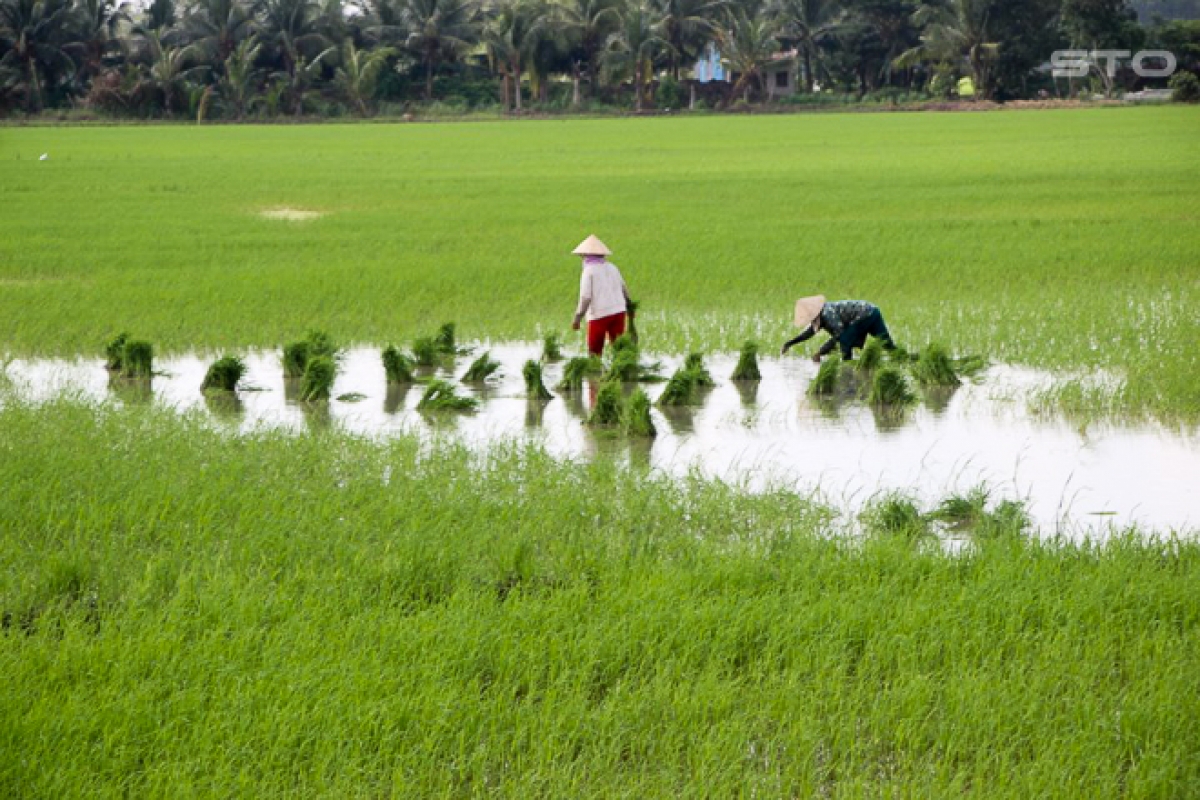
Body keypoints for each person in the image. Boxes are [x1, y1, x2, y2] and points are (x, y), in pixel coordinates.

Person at [781, 295, 896, 362]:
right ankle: (905, 358)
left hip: (866, 314)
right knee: (887, 345)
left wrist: (820, 352)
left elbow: (839, 335)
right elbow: (809, 333)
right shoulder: (820, 315)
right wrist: (790, 343)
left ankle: (848, 367)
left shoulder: (827, 314)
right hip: (872, 311)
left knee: (845, 341)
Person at [571, 235, 633, 357]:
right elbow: (624, 289)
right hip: (619, 312)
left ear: (585, 256)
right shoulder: (612, 267)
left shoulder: (588, 271)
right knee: (619, 350)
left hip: (599, 315)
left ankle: (594, 375)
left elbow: (585, 297)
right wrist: (630, 307)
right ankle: (621, 373)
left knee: (594, 352)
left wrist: (577, 318)